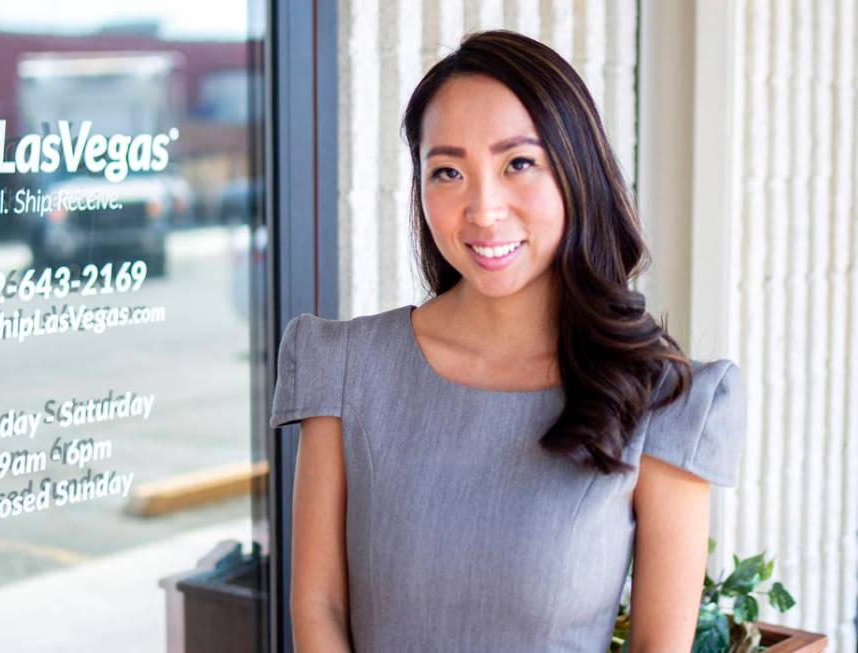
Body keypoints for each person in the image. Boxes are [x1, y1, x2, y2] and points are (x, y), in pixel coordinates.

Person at [269, 29, 746, 652]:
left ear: (577, 171)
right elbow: (319, 609)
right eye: (447, 171)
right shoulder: (345, 369)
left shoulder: (665, 400)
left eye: (518, 163)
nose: (483, 209)